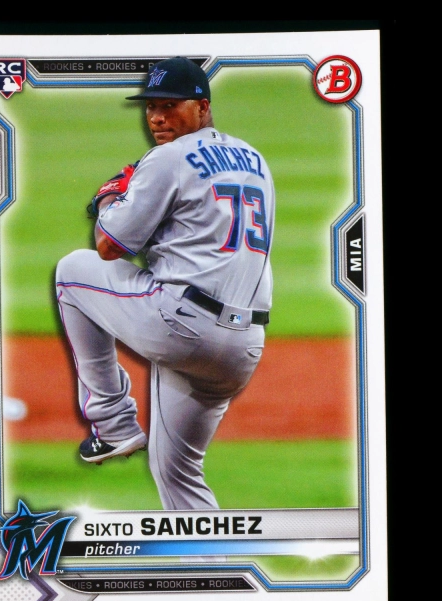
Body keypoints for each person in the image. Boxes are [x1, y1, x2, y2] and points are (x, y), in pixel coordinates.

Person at [55, 57, 275, 510]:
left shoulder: (168, 157)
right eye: (152, 106)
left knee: (73, 271)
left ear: (202, 107)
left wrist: (110, 198)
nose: (157, 117)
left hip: (180, 327)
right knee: (177, 471)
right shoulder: (255, 160)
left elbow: (109, 245)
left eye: (170, 105)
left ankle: (112, 424)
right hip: (244, 348)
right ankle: (213, 556)